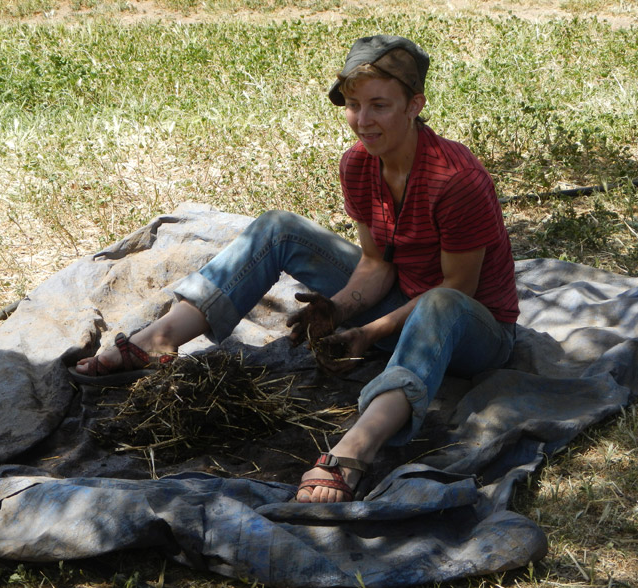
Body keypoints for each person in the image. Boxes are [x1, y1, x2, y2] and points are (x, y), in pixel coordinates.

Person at [73, 35, 519, 504]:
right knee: (278, 227)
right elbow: (375, 263)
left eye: (379, 106)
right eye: (353, 105)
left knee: (441, 301)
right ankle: (157, 341)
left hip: (474, 334)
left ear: (415, 105)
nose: (363, 122)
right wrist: (340, 310)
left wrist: (367, 333)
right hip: (406, 302)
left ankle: (356, 447)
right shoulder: (359, 165)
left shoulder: (455, 180)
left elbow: (457, 290)